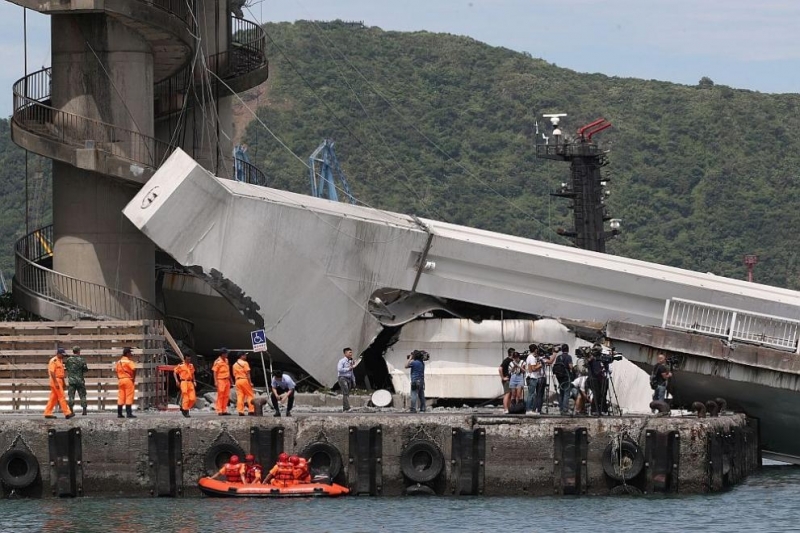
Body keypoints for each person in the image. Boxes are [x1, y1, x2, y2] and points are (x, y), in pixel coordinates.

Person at [44, 348, 74, 419]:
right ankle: (67, 413)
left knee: (53, 398)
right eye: (62, 355)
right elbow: (52, 372)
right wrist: (55, 382)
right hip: (55, 380)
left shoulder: (60, 361)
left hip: (59, 380)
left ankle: (47, 412)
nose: (63, 356)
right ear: (58, 354)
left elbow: (62, 374)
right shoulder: (54, 361)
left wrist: (63, 382)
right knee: (62, 396)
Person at [65, 345, 89, 416]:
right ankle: (84, 410)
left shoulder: (69, 360)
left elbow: (66, 368)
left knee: (71, 396)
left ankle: (71, 411)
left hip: (72, 381)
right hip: (80, 380)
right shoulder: (82, 359)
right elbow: (85, 369)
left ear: (73, 351)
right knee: (83, 395)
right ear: (79, 351)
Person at [552, 344, 574, 415]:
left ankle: (561, 408)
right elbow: (570, 367)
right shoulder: (568, 357)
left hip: (559, 377)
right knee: (566, 393)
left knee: (561, 393)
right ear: (568, 349)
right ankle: (565, 409)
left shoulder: (558, 357)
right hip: (566, 376)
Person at [115, 347, 137, 419]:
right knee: (129, 396)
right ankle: (129, 413)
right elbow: (134, 369)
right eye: (130, 353)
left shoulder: (119, 362)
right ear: (127, 353)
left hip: (121, 380)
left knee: (121, 396)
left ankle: (119, 413)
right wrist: (133, 378)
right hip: (128, 380)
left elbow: (116, 371)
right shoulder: (129, 362)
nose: (131, 354)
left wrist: (119, 377)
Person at [212, 348, 232, 416]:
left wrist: (231, 380)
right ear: (222, 354)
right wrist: (215, 381)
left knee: (226, 396)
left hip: (227, 380)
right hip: (220, 380)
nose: (227, 354)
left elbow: (228, 371)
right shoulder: (217, 361)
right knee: (220, 395)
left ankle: (224, 410)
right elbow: (215, 372)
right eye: (226, 353)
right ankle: (219, 410)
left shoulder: (226, 360)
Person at [337, 347, 356, 412]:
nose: (351, 354)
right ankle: (347, 407)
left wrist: (353, 379)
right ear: (345, 353)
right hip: (342, 378)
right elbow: (339, 369)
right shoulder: (342, 361)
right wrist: (348, 369)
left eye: (351, 352)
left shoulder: (351, 361)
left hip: (349, 378)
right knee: (345, 392)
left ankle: (345, 408)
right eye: (349, 352)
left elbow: (352, 371)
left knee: (347, 393)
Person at [498, 348, 514, 414]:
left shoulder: (511, 360)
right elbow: (500, 368)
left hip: (510, 379)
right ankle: (505, 408)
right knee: (507, 394)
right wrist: (503, 377)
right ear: (511, 353)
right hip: (506, 380)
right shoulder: (507, 360)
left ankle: (508, 407)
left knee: (510, 394)